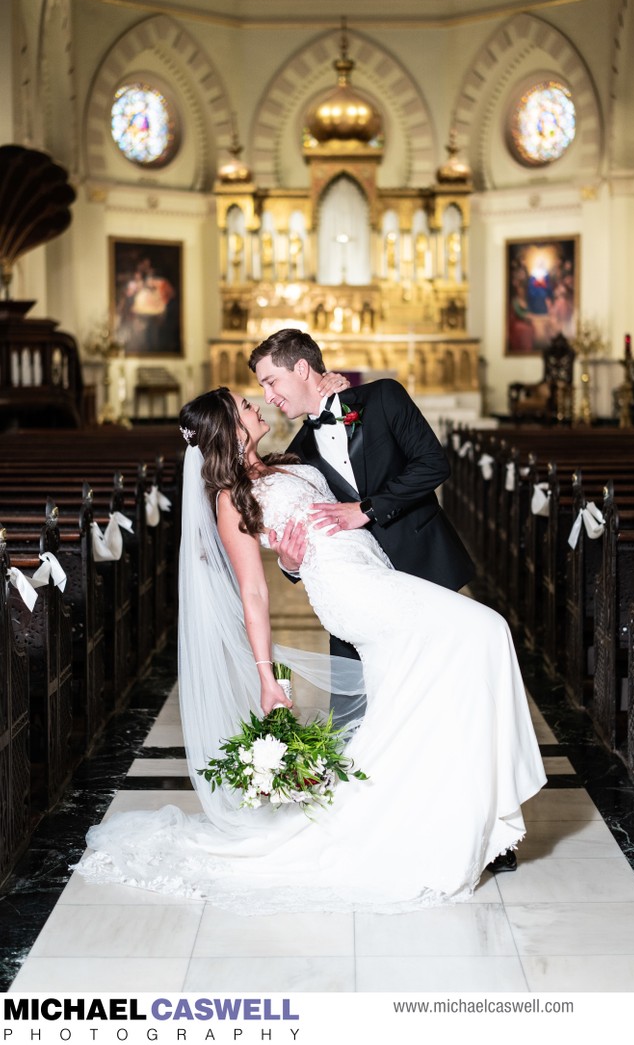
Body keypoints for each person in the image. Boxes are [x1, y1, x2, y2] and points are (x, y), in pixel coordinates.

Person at [75, 387, 546, 913]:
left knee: (404, 698)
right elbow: (252, 590)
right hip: (351, 592)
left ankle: (436, 821)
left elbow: (339, 464)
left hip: (372, 569)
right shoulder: (230, 498)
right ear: (232, 430)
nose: (258, 404)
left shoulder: (286, 458)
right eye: (246, 406)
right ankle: (467, 811)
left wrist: (339, 391)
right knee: (484, 629)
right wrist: (266, 677)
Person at [248, 329, 475, 668]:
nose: (268, 397)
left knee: (437, 684)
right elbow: (303, 535)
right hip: (358, 593)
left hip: (422, 565)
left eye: (271, 382)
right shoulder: (297, 455)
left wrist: (366, 509)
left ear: (300, 369)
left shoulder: (383, 396)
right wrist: (288, 564)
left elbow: (433, 465)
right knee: (353, 704)